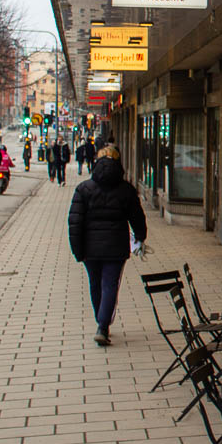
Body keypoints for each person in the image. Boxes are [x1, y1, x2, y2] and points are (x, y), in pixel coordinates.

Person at [67, 144, 147, 346]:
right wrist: (140, 237)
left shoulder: (84, 189)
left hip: (90, 248)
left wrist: (78, 250)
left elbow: (74, 222)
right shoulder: (126, 189)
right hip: (116, 247)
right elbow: (137, 216)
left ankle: (101, 321)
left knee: (95, 284)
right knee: (110, 284)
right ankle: (103, 325)